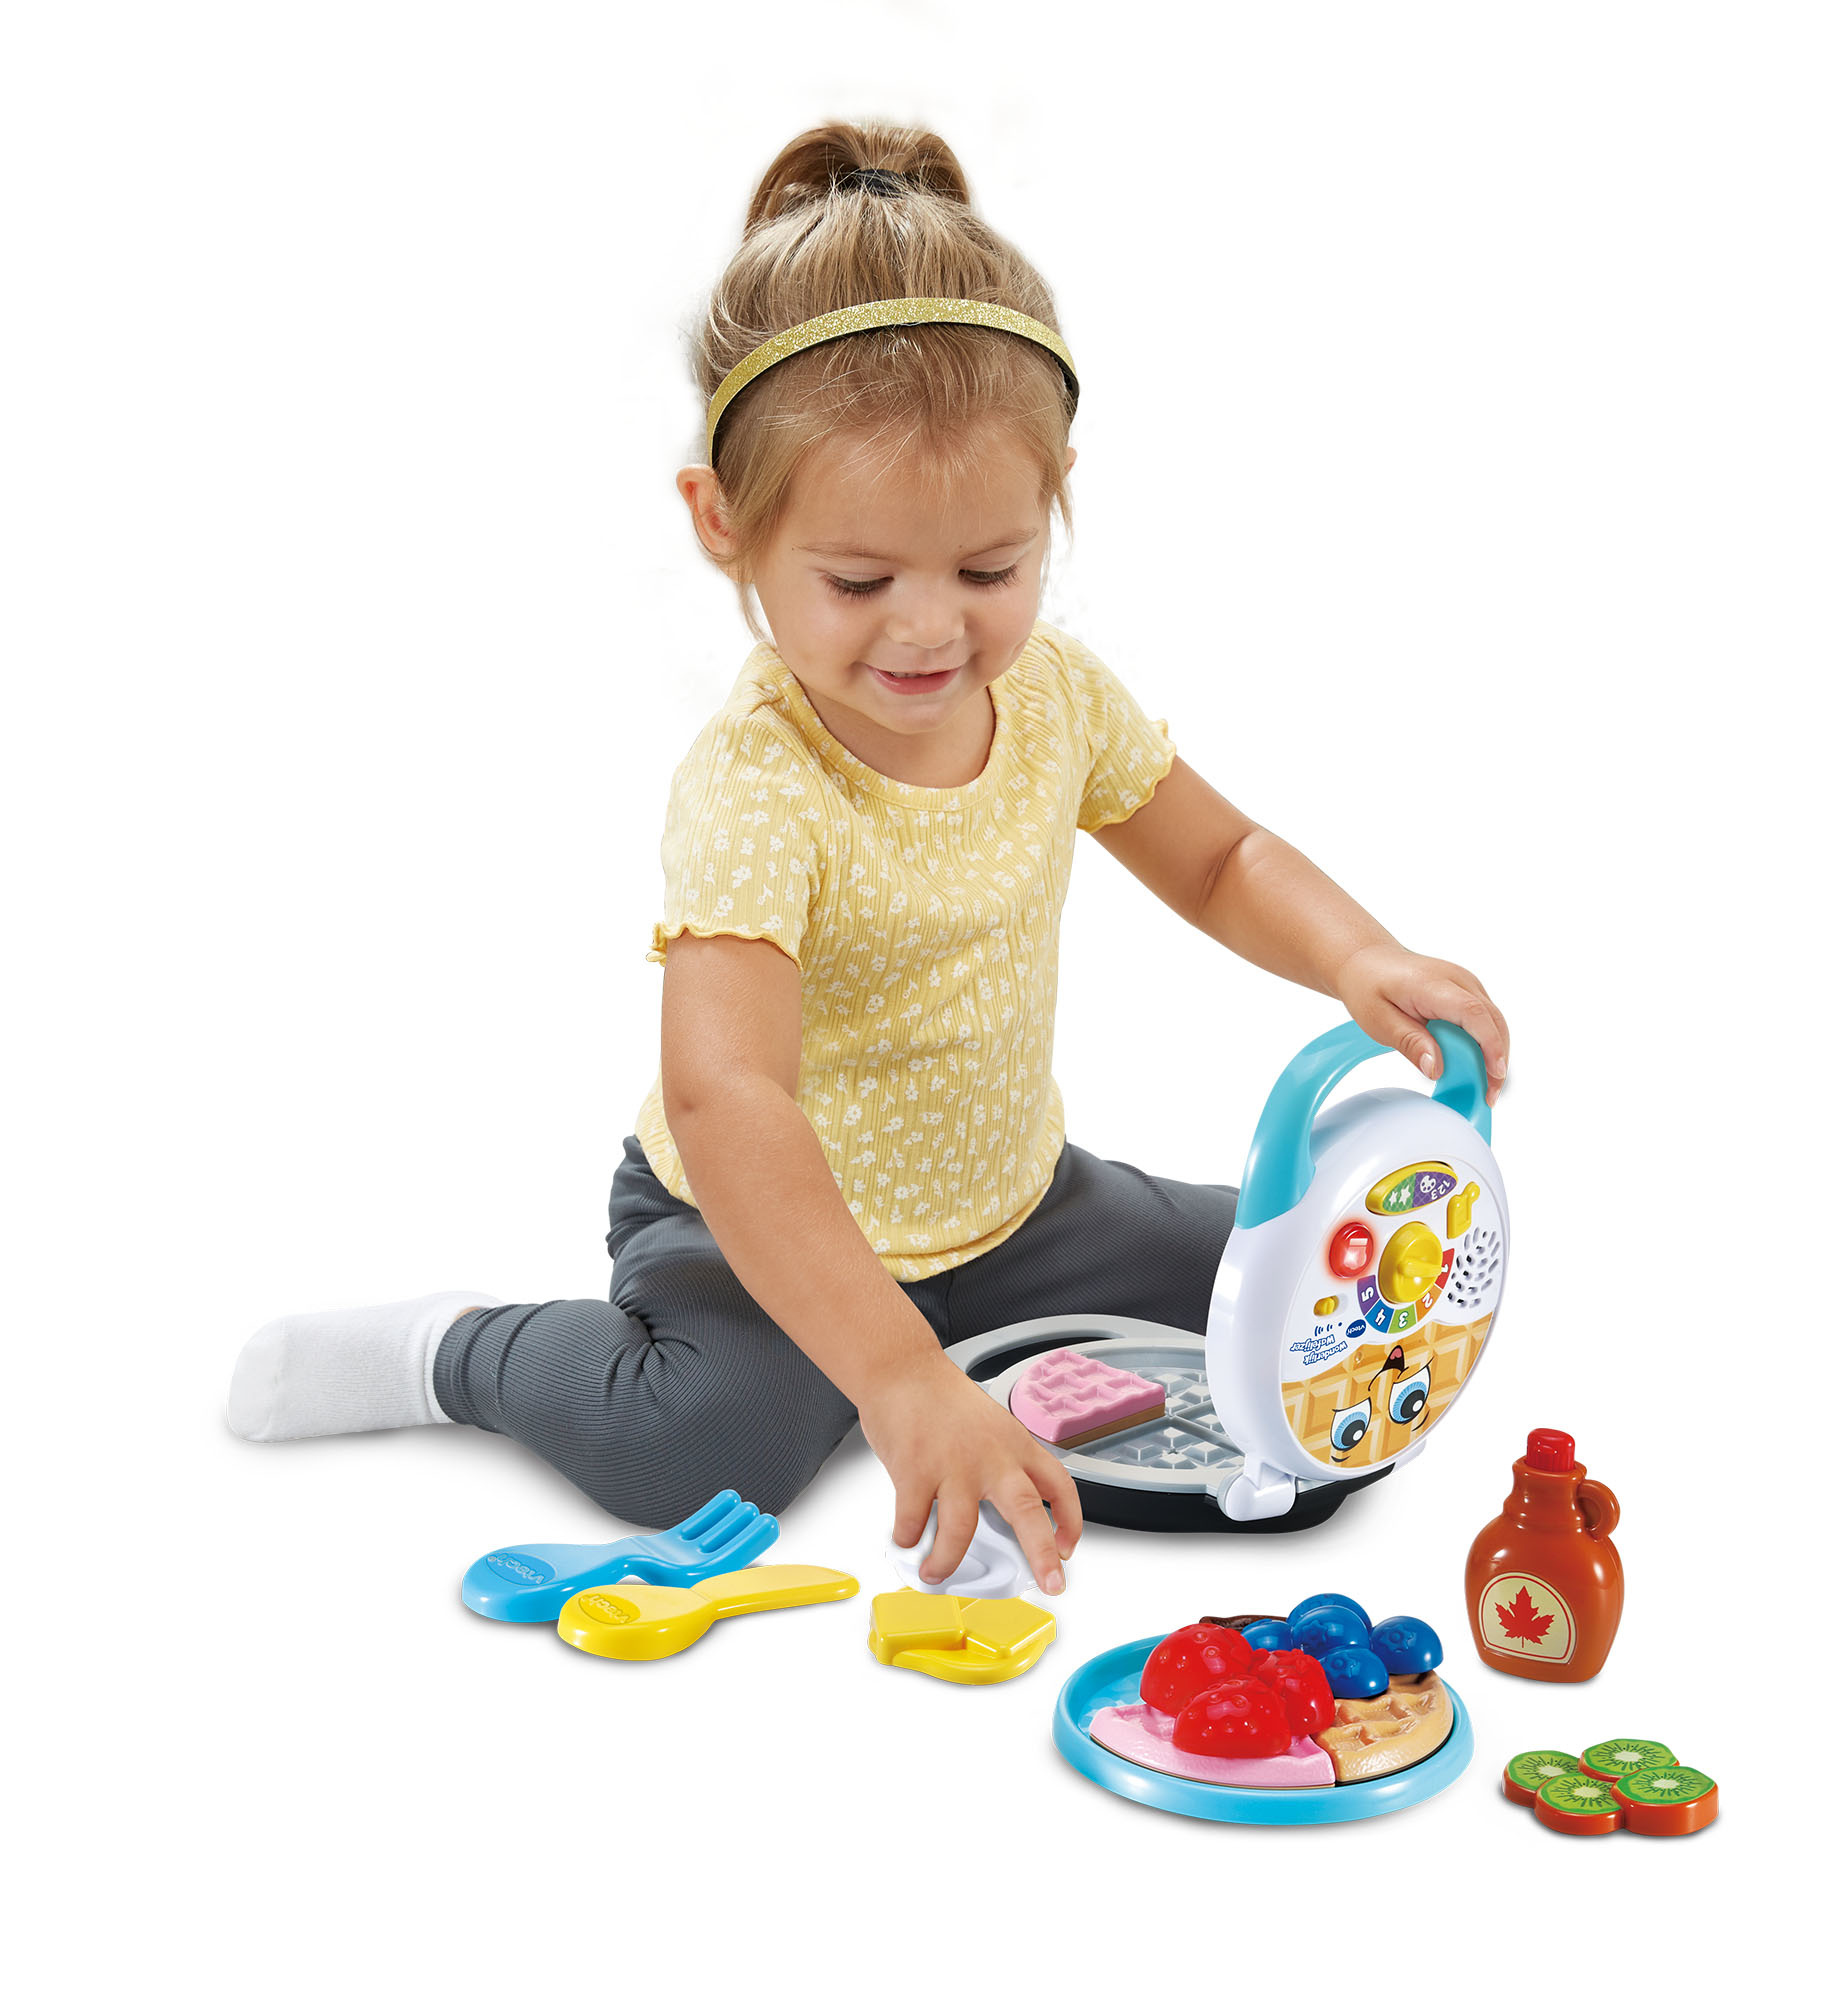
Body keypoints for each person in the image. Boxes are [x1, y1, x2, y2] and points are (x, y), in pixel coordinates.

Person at [227, 120, 1510, 1597]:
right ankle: (458, 1352)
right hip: (749, 1229)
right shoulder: (759, 785)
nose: (929, 629)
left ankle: (950, 1346)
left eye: (990, 569)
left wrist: (1360, 957)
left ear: (1056, 496)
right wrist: (898, 1376)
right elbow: (728, 1098)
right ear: (723, 523)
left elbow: (1220, 859)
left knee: (1282, 1293)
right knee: (702, 1446)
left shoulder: (1057, 700)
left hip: (1019, 1211)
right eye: (857, 580)